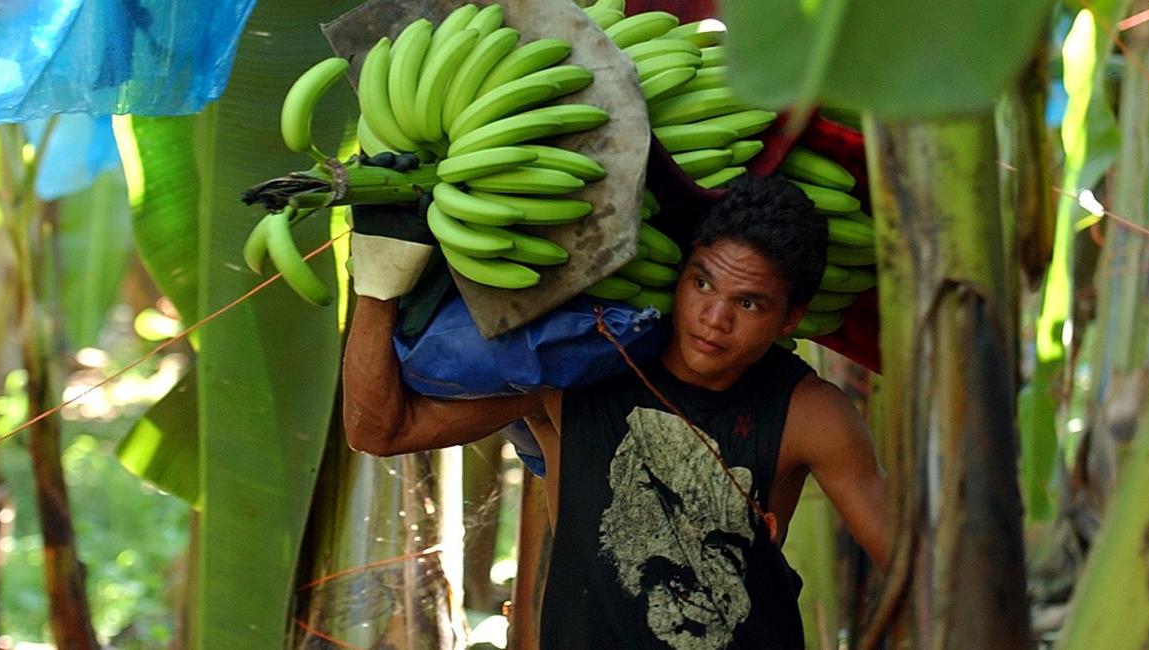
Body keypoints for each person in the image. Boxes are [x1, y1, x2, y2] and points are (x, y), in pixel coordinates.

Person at [341, 174, 888, 649]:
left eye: (748, 303)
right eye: (702, 283)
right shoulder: (582, 372)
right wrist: (379, 285)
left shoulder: (808, 413)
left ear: (790, 318)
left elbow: (911, 560)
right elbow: (380, 431)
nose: (714, 318)